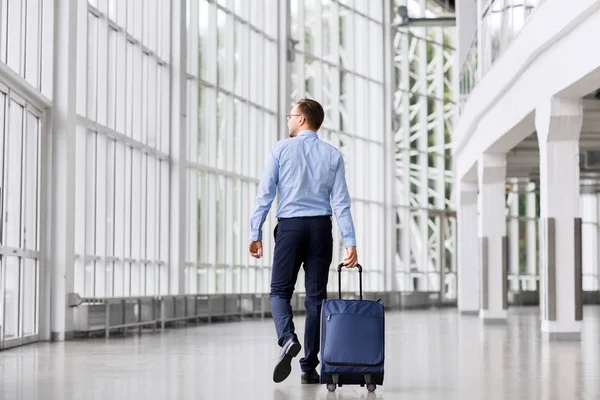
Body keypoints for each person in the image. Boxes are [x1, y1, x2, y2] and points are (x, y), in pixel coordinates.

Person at [248, 98, 358, 384]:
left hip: (291, 229)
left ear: (302, 119)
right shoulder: (333, 155)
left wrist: (255, 232)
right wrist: (351, 242)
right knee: (316, 300)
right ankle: (309, 367)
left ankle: (287, 339)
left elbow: (265, 195)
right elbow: (342, 204)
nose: (288, 120)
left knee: (279, 291)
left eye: (290, 115)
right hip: (321, 229)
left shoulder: (281, 150)